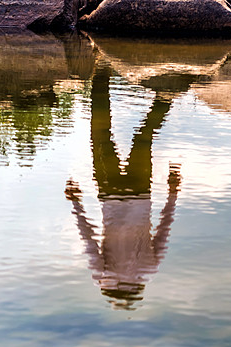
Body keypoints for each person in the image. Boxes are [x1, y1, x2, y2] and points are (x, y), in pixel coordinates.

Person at [66, 63, 184, 309]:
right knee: (100, 134)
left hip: (140, 194)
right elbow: (88, 240)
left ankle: (166, 97)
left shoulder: (150, 269)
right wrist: (76, 203)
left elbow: (165, 228)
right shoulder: (104, 276)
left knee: (144, 139)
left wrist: (172, 192)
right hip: (110, 192)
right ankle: (101, 73)